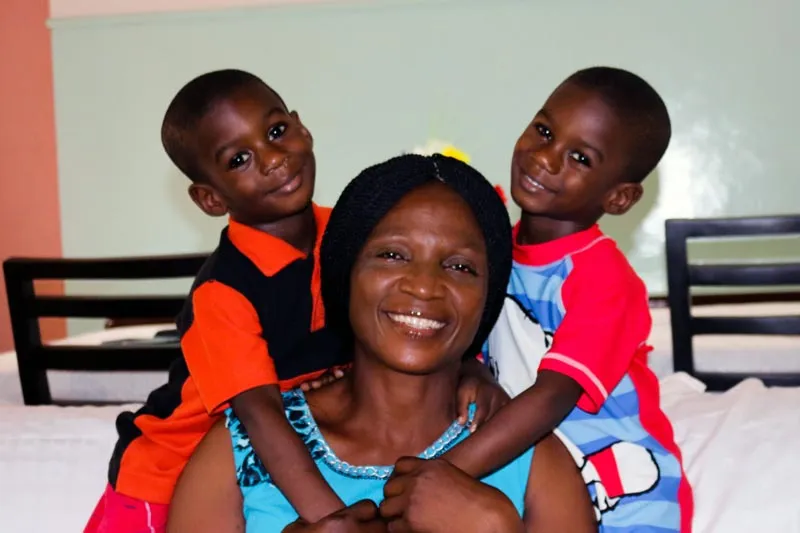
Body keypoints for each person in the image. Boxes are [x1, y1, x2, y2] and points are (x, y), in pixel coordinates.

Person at [84, 71, 505, 533]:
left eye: (276, 132)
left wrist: (472, 369)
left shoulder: (351, 234)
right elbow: (260, 418)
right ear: (209, 199)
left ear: (302, 128)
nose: (272, 160)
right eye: (240, 158)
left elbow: (416, 321)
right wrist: (333, 517)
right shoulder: (222, 292)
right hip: (167, 470)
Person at [167, 153, 597, 533]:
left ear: (488, 296)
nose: (425, 287)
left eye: (460, 266)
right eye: (392, 255)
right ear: (344, 274)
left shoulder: (534, 460)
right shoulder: (240, 450)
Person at [442, 67, 694, 532]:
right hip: (537, 483)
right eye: (543, 131)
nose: (545, 158)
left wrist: (447, 471)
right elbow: (471, 346)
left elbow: (552, 397)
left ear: (619, 198)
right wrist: (475, 371)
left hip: (627, 499)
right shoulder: (489, 250)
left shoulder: (602, 278)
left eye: (579, 157)